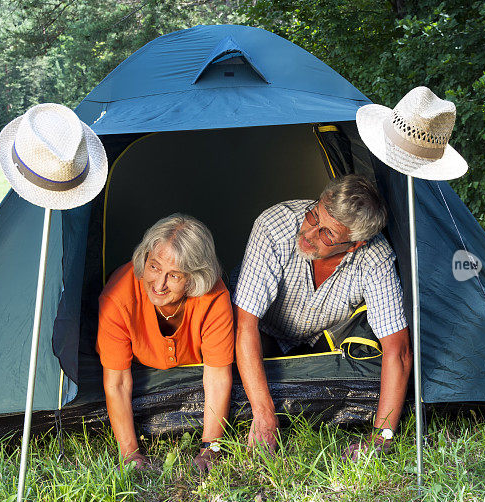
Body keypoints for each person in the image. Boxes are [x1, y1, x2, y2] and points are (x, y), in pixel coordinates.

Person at [233, 174, 412, 460]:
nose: (309, 233)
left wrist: (382, 437)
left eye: (327, 234)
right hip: (263, 335)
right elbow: (245, 326)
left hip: (323, 343)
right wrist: (264, 416)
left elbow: (398, 351)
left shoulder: (376, 257)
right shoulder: (273, 226)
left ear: (355, 244)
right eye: (314, 216)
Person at [96, 214, 234, 473]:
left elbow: (217, 378)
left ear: (194, 277)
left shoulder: (214, 297)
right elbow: (117, 382)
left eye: (174, 275)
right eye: (154, 267)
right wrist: (130, 454)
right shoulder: (118, 298)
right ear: (144, 258)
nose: (158, 284)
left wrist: (211, 448)